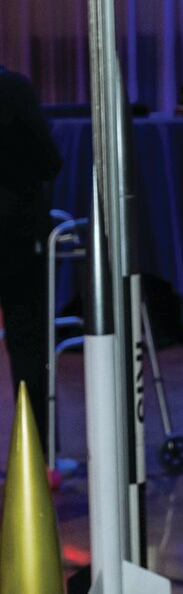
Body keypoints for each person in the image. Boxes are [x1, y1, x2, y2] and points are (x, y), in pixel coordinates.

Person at [0, 61, 62, 433]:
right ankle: (36, 450)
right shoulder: (12, 87)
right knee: (28, 345)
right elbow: (48, 160)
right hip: (16, 229)